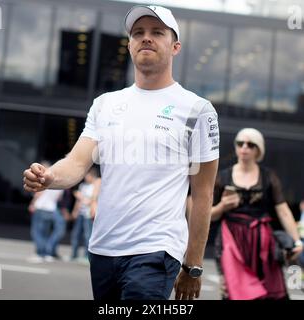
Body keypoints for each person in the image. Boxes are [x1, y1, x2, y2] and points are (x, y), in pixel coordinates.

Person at [23, 5, 219, 300]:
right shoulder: (105, 104)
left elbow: (203, 194)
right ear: (129, 45)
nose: (146, 38)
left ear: (175, 46)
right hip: (103, 249)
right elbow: (77, 163)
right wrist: (49, 177)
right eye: (138, 33)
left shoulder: (197, 110)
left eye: (157, 32)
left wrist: (193, 265)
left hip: (156, 250)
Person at [211, 128, 303, 300]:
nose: (244, 147)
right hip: (231, 241)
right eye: (240, 143)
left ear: (258, 150)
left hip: (262, 243)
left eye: (250, 144)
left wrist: (297, 240)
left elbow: (282, 211)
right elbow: (209, 215)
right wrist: (223, 206)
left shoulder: (268, 176)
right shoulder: (222, 177)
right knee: (234, 291)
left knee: (269, 292)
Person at [27, 161, 64, 262]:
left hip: (41, 207)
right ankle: (47, 253)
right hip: (51, 209)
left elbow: (38, 194)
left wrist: (32, 203)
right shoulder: (59, 183)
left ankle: (40, 253)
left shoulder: (44, 179)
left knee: (37, 232)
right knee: (46, 232)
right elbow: (59, 199)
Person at [70, 168, 101, 261]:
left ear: (92, 175)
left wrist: (82, 197)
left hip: (88, 214)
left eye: (87, 175)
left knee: (88, 235)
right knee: (75, 234)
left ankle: (86, 256)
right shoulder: (83, 186)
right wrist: (75, 211)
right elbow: (78, 201)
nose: (85, 178)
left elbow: (93, 200)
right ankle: (74, 254)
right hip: (81, 213)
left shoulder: (96, 185)